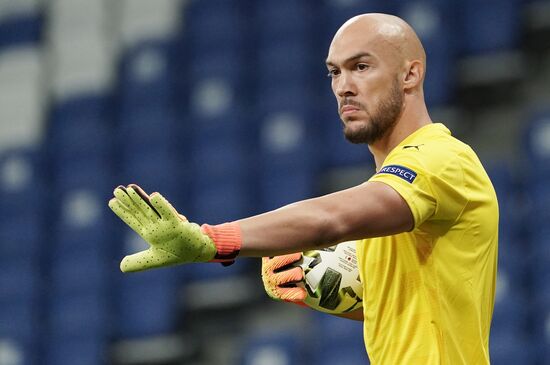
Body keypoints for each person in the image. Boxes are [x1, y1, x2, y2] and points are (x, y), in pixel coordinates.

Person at [109, 13, 499, 365]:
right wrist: (325, 286)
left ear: (410, 75)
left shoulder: (441, 159)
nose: (344, 86)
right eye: (334, 72)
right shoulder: (392, 199)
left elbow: (332, 219)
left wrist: (212, 241)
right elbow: (418, 309)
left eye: (361, 67)